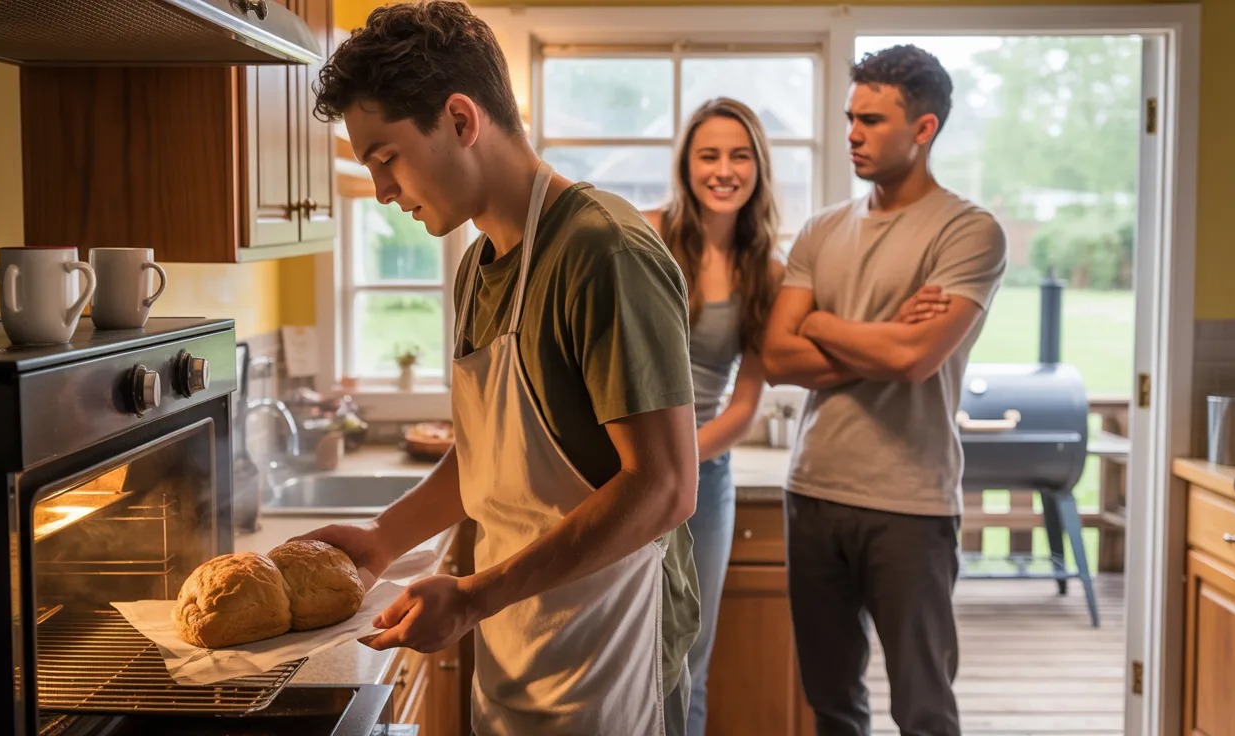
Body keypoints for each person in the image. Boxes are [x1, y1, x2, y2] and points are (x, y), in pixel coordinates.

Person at [292, 2, 702, 734]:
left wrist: (477, 594)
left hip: (613, 664)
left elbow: (665, 487)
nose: (382, 191)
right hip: (521, 656)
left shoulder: (603, 253)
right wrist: (384, 540)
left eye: (385, 158)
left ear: (459, 119)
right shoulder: (479, 265)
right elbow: (491, 460)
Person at [761, 44, 1007, 736]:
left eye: (871, 120)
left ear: (923, 129)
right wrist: (880, 336)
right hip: (813, 490)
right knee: (831, 702)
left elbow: (914, 359)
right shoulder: (821, 229)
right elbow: (779, 355)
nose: (852, 135)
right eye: (849, 118)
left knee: (923, 709)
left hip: (910, 502)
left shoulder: (969, 231)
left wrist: (820, 322)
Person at [641, 97, 782, 736]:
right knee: (626, 655)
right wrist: (647, 465)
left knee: (689, 658)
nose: (724, 170)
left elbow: (745, 403)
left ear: (757, 167)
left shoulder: (766, 270)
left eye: (739, 155)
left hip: (706, 480)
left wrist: (678, 461)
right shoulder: (645, 236)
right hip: (622, 472)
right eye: (709, 155)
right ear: (686, 166)